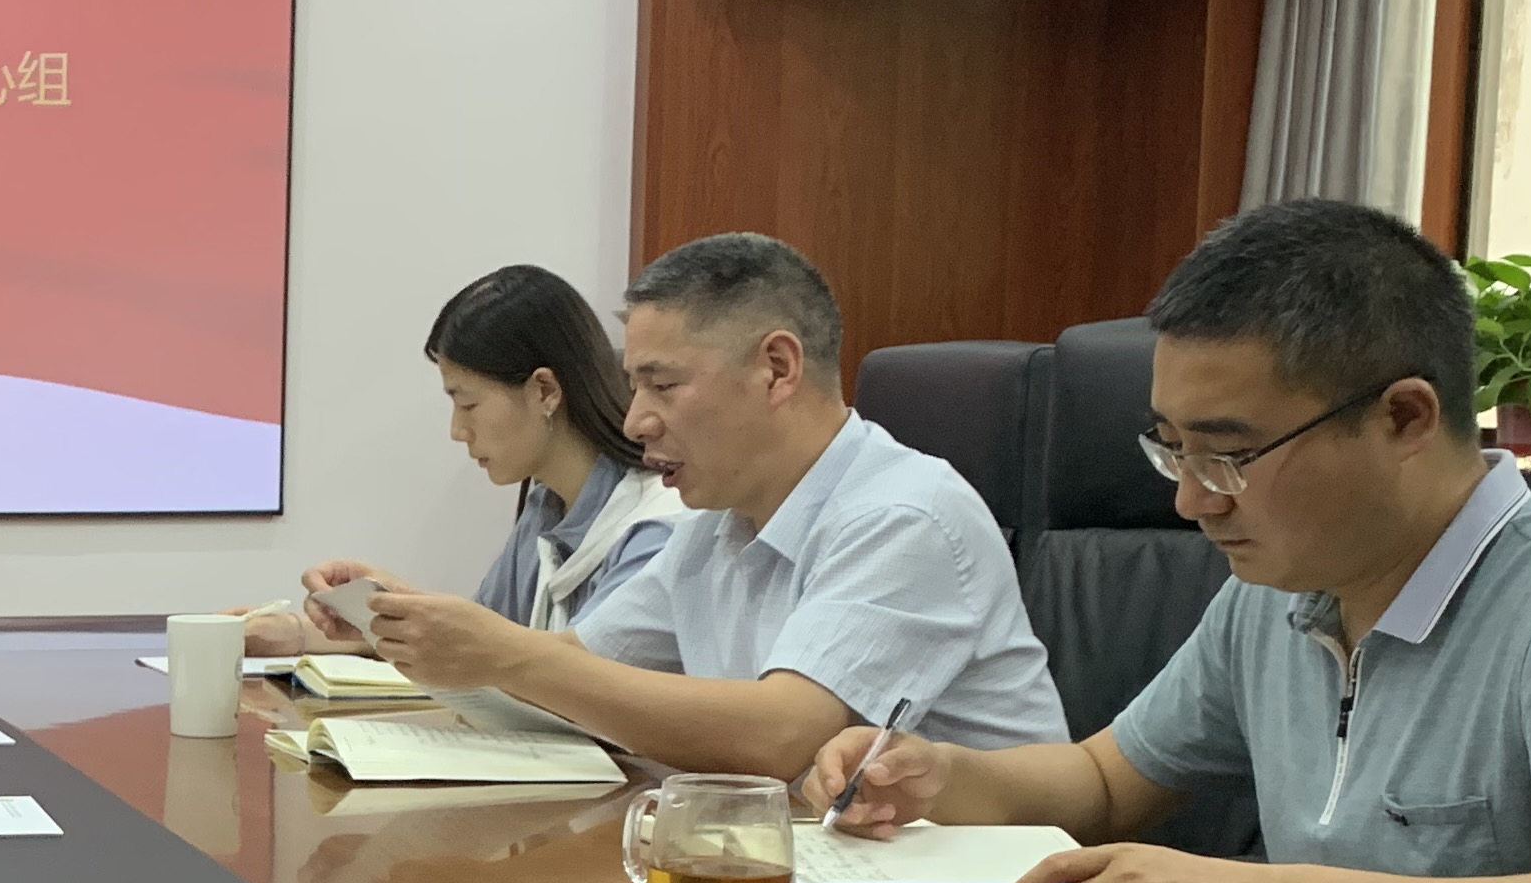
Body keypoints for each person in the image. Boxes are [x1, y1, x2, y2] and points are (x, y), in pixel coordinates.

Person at [804, 199, 1531, 883]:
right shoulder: (1283, 592)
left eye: (1229, 455)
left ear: (1405, 418)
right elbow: (1103, 783)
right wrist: (942, 775)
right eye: (1171, 448)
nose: (1191, 500)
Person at [366, 233, 1064, 777]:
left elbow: (781, 735)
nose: (635, 421)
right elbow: (580, 664)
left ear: (777, 369)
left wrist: (505, 655)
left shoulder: (904, 514)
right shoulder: (714, 526)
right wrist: (408, 624)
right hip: (805, 873)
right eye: (635, 387)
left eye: (663, 386)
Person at [257, 262, 686, 655]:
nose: (457, 430)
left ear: (544, 391)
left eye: (468, 403)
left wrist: (402, 608)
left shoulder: (655, 525)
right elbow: (481, 643)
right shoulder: (546, 507)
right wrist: (319, 625)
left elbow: (576, 675)